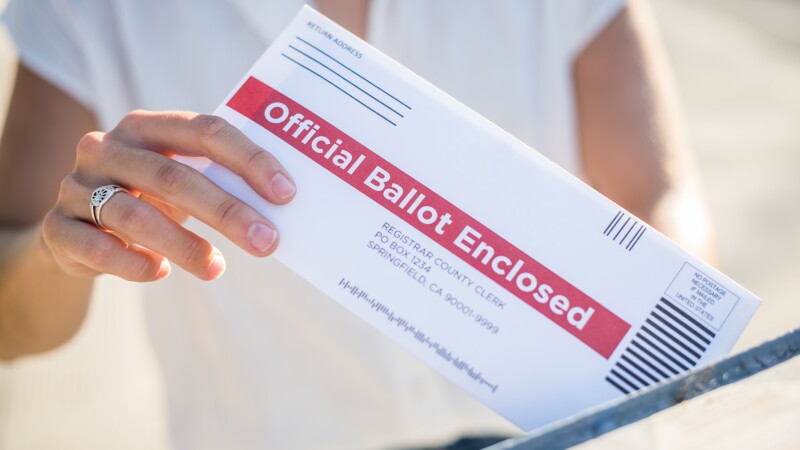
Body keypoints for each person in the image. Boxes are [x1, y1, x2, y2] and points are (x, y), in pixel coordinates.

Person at [0, 1, 715, 449]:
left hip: (558, 430)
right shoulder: (95, 10)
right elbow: (12, 323)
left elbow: (659, 195)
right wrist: (67, 249)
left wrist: (661, 328)